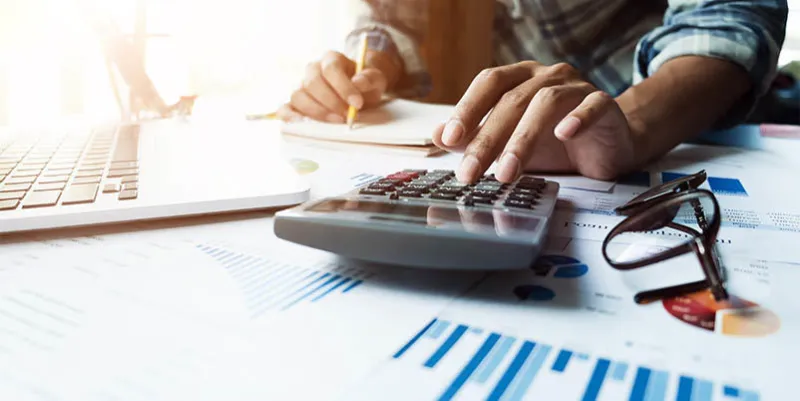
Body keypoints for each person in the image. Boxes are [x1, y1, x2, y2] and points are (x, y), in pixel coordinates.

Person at [277, 0, 788, 184]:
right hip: (507, 147)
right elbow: (391, 19)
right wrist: (373, 64)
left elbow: (727, 15)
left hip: (676, 126)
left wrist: (633, 123)